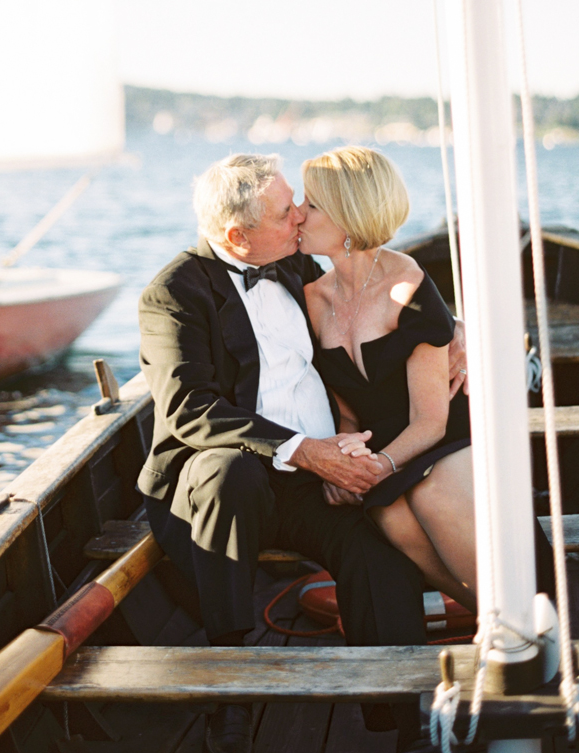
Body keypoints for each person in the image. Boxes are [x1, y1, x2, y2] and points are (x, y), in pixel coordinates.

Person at [137, 153, 468, 753]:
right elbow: (189, 409)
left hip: (308, 478)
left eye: (299, 204)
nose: (299, 217)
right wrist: (307, 451)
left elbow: (373, 287)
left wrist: (454, 329)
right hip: (221, 479)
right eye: (287, 210)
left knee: (377, 549)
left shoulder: (291, 263)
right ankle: (230, 684)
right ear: (237, 235)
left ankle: (401, 716)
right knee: (227, 472)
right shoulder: (173, 293)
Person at [299, 146, 554, 613]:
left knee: (433, 494)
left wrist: (376, 467)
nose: (298, 214)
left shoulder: (407, 286)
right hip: (385, 453)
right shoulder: (313, 298)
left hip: (443, 436)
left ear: (346, 216)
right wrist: (343, 459)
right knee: (390, 515)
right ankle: (497, 621)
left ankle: (540, 618)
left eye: (311, 204)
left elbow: (432, 421)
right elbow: (349, 412)